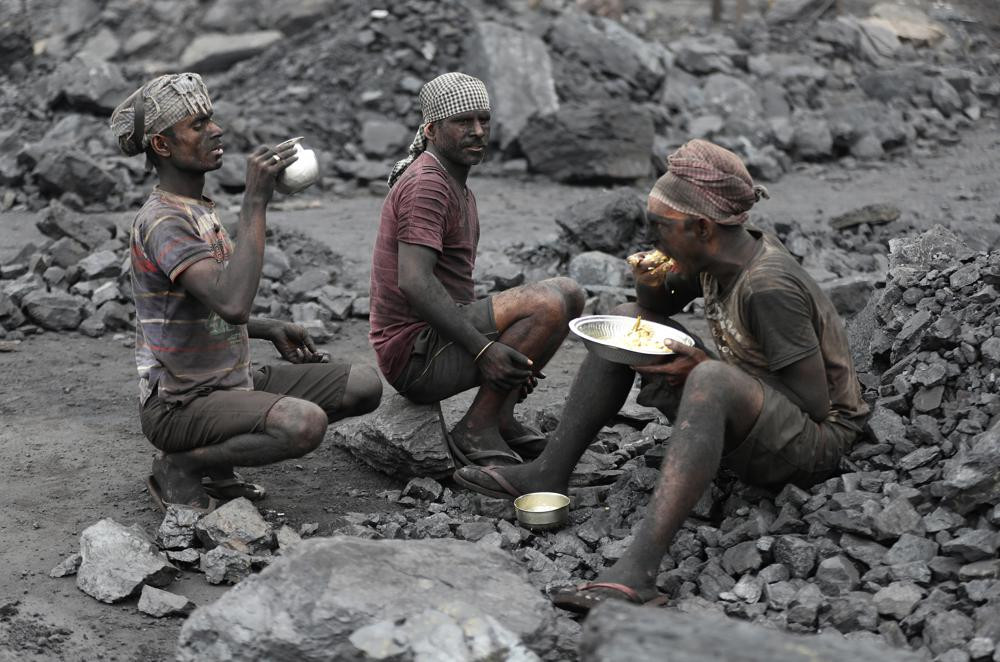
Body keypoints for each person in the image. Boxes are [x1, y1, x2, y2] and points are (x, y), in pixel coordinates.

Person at [453, 139, 869, 612]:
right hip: (759, 417)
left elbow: (813, 404)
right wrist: (649, 279)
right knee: (629, 320)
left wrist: (709, 369)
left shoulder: (766, 285)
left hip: (814, 443)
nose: (653, 240)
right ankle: (548, 472)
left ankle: (638, 572)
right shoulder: (716, 257)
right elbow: (656, 308)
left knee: (710, 380)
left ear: (702, 227)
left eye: (660, 229)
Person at [110, 73, 382, 511]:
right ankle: (182, 466)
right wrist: (255, 202)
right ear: (162, 146)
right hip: (181, 403)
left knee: (364, 385)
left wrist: (268, 328)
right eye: (197, 125)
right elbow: (232, 303)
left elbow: (199, 308)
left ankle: (218, 468)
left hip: (229, 381)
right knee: (303, 426)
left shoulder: (196, 209)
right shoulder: (163, 221)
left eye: (211, 119)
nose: (216, 130)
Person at [370, 72, 585, 467]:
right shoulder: (427, 184)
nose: (478, 131)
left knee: (570, 292)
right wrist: (485, 350)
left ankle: (500, 415)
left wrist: (521, 349)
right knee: (548, 304)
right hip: (414, 355)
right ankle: (476, 427)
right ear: (432, 129)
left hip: (436, 340)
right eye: (463, 121)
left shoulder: (453, 182)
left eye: (483, 120)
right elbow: (414, 282)